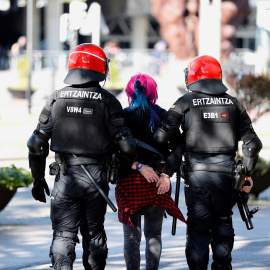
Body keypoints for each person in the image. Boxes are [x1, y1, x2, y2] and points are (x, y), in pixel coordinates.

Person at [27, 43, 138, 270]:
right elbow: (127, 147)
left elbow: (36, 143)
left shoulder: (56, 99)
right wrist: (121, 173)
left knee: (63, 235)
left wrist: (38, 179)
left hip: (65, 178)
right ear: (101, 68)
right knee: (94, 234)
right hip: (97, 179)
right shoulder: (108, 101)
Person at [154, 55, 263, 270]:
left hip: (197, 178)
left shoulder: (185, 102)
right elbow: (253, 144)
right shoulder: (233, 103)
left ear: (192, 76)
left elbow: (162, 136)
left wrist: (168, 166)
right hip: (227, 178)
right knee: (223, 222)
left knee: (198, 229)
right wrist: (247, 174)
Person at [115, 73, 186, 270]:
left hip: (128, 181)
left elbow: (112, 150)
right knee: (153, 234)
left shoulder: (122, 117)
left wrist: (137, 166)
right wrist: (167, 175)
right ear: (154, 92)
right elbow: (179, 147)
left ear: (130, 92)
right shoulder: (164, 116)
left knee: (131, 236)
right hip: (158, 182)